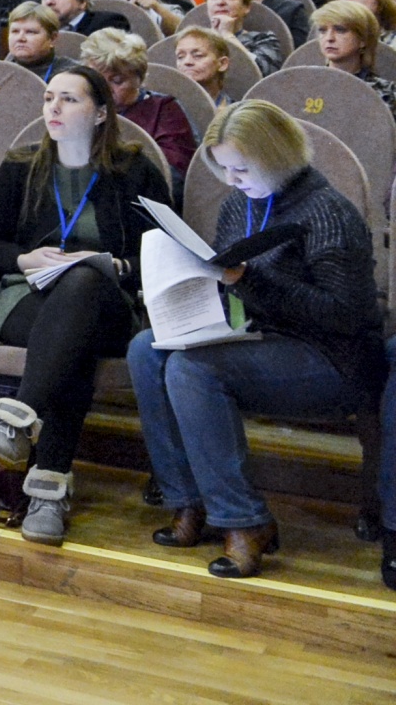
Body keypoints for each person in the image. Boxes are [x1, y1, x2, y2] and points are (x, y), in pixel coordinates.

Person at [133, 101, 382, 578]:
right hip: (261, 338)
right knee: (146, 349)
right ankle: (190, 502)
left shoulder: (328, 212)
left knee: (193, 370)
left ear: (277, 158)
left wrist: (248, 280)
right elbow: (234, 285)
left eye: (241, 168)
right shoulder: (239, 205)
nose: (232, 180)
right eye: (224, 168)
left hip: (333, 357)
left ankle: (245, 521)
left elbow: (348, 316)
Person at [0, 63, 173, 546]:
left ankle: (19, 421)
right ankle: (46, 493)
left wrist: (114, 265)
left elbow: (165, 250)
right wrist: (23, 256)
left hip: (110, 304)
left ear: (101, 113)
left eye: (69, 99)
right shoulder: (21, 166)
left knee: (80, 287)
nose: (53, 108)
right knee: (67, 346)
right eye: (48, 98)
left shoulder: (134, 169)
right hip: (27, 297)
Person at [81, 29, 197, 200]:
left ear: (140, 79)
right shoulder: (78, 108)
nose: (104, 89)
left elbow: (172, 175)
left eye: (117, 81)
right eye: (97, 80)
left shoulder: (164, 110)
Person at [310, 0, 396, 116]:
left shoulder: (384, 93)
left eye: (340, 30)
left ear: (363, 40)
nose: (329, 38)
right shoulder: (306, 85)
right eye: (322, 30)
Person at [206, 0, 283, 76]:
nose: (220, 2)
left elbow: (265, 73)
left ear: (246, 7)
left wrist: (227, 34)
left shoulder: (264, 39)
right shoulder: (194, 39)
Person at [171, 26, 240, 109]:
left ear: (222, 64)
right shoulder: (165, 109)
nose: (187, 62)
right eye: (180, 57)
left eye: (198, 55)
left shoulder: (237, 113)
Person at [5, 2, 59, 77]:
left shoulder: (69, 74)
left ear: (53, 38)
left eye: (30, 32)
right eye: (15, 31)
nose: (20, 38)